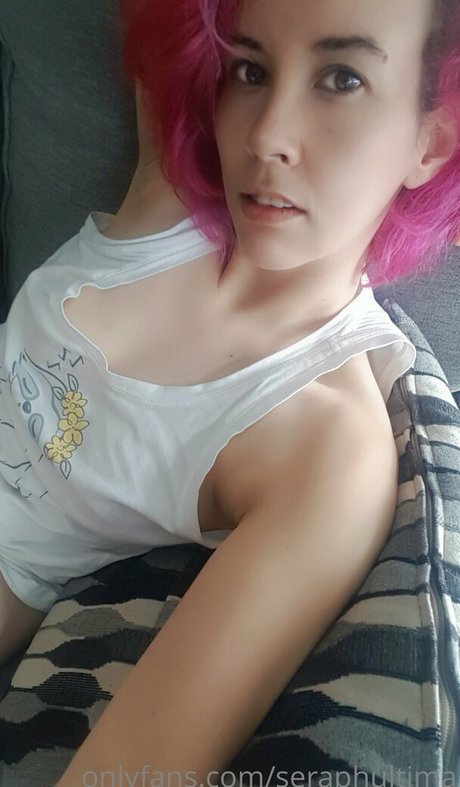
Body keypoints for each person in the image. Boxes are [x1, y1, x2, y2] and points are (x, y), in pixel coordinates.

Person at [0, 0, 458, 779]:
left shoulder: (325, 444)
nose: (265, 136)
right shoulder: (172, 196)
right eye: (250, 69)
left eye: (341, 78)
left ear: (431, 140)